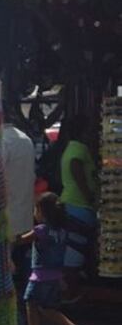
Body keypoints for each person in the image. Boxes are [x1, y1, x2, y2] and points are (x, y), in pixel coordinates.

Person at [18, 193, 86, 325]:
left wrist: (11, 236)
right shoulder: (62, 231)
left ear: (41, 211)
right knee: (46, 307)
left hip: (39, 277)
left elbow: (21, 240)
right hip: (55, 276)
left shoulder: (41, 230)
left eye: (35, 209)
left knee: (31, 302)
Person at [2, 109, 36, 325]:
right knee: (21, 272)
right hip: (24, 215)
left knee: (4, 271)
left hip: (4, 218)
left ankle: (12, 324)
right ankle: (22, 321)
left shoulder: (2, 142)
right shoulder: (25, 139)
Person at [59, 116, 99, 301]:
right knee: (74, 253)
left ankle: (71, 290)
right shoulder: (78, 149)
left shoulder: (72, 147)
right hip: (78, 205)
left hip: (76, 206)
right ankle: (70, 293)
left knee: (75, 251)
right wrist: (89, 196)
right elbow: (77, 170)